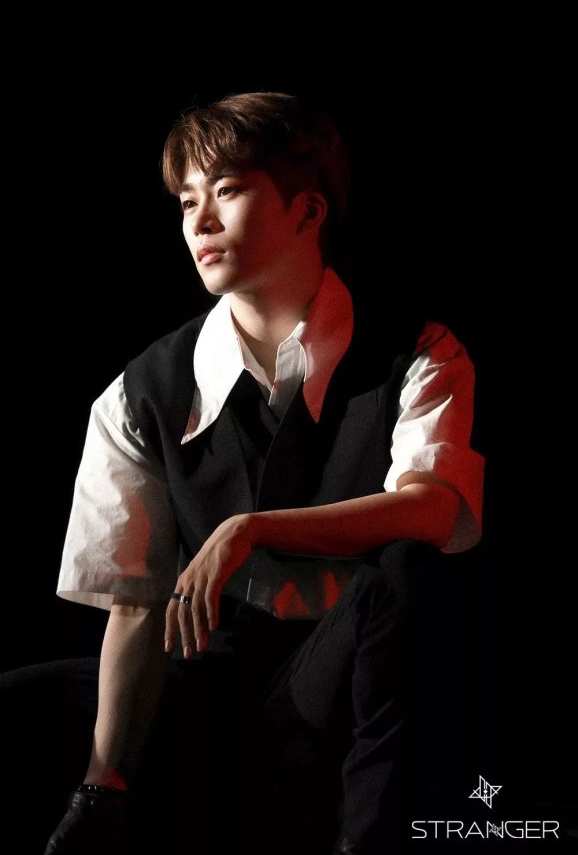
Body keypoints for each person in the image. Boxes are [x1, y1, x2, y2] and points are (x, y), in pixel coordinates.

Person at [5, 92, 484, 854]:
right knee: (17, 704)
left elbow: (431, 509)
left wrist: (250, 528)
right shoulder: (141, 393)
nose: (199, 222)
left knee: (403, 573)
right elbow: (135, 605)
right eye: (186, 200)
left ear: (307, 211)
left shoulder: (418, 350)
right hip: (210, 680)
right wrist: (102, 786)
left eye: (226, 191)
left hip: (346, 675)